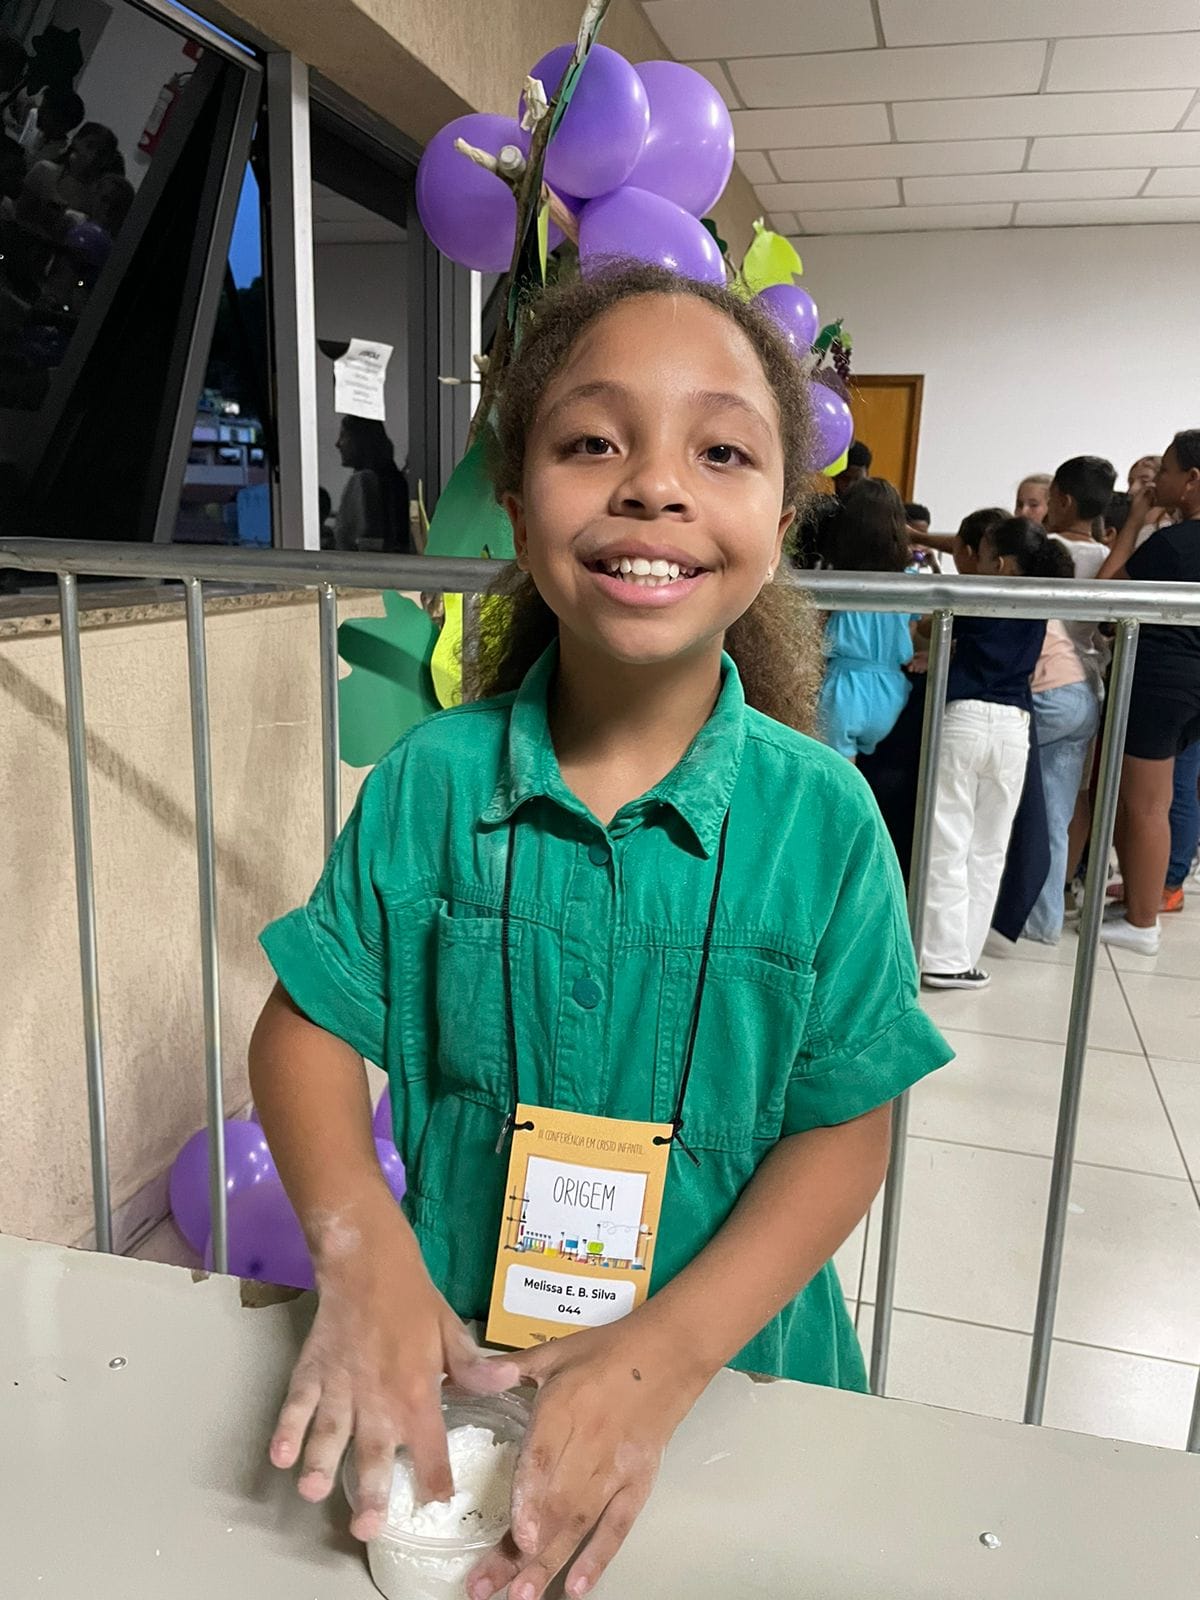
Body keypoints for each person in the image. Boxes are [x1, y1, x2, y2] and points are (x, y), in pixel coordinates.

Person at [250, 264, 952, 1597]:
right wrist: (362, 1251)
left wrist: (669, 1355)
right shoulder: (431, 785)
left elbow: (845, 1128)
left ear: (778, 521)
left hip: (740, 1390)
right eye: (591, 442)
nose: (655, 486)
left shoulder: (825, 821)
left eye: (721, 451)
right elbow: (303, 1030)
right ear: (520, 512)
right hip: (467, 1376)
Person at [921, 517, 1066, 989]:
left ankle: (936, 955)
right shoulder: (1041, 600)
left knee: (946, 838)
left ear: (999, 563)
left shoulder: (974, 594)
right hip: (1013, 727)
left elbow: (928, 628)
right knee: (989, 849)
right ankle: (964, 955)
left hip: (962, 718)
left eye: (980, 555)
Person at [1097, 432, 1200, 954]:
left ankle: (1142, 924)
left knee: (1146, 806)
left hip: (1161, 680)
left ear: (1192, 480)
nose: (1159, 480)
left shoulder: (1174, 544)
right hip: (1191, 684)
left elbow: (1104, 598)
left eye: (1167, 471)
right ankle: (1138, 906)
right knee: (1155, 800)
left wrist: (1134, 523)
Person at [817, 478, 914, 761]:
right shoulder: (910, 583)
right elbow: (911, 629)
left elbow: (816, 634)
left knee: (837, 773)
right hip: (891, 689)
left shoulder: (834, 581)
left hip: (843, 685)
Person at [333, 415, 413, 554]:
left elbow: (368, 541)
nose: (338, 444)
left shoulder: (364, 481)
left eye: (344, 436)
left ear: (360, 441)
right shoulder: (393, 480)